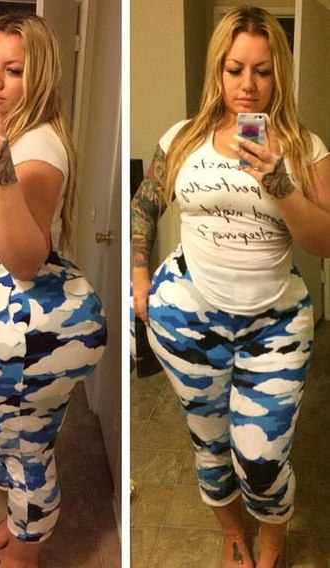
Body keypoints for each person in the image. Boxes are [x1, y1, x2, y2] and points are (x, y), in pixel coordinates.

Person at [131, 5, 330, 567]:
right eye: (234, 69)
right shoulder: (182, 139)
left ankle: (272, 543)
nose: (247, 85)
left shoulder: (306, 148)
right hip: (188, 320)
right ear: (217, 70)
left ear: (278, 73)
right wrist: (139, 274)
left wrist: (279, 182)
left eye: (262, 71)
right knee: (211, 444)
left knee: (261, 459)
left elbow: (323, 241)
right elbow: (145, 205)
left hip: (275, 327)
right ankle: (233, 533)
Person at [0, 12, 107, 568]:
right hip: (4, 320)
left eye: (13, 71)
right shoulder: (2, 135)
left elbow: (25, 259)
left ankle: (22, 556)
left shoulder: (35, 150)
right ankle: (21, 516)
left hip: (29, 322)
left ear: (40, 76)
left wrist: (1, 172)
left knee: (26, 456)